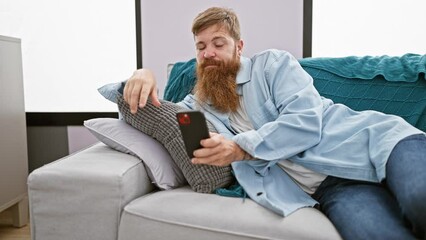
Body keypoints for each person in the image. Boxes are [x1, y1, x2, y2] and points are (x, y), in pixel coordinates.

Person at [123, 7, 426, 240]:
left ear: (239, 46)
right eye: (201, 46)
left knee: (418, 197)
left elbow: (306, 122)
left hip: (378, 142)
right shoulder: (196, 106)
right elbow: (144, 113)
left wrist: (240, 148)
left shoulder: (273, 64)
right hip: (332, 188)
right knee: (375, 233)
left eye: (218, 43)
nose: (208, 53)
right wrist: (141, 75)